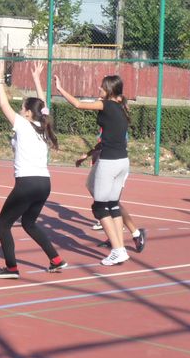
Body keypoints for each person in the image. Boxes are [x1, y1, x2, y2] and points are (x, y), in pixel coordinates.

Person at [0, 61, 67, 279]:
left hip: (27, 183)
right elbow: (43, 106)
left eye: (23, 108)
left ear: (28, 114)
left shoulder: (23, 125)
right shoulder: (44, 126)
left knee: (3, 224)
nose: (20, 110)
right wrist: (36, 80)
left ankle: (11, 268)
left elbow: (3, 104)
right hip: (44, 183)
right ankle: (56, 259)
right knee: (29, 223)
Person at [55, 72, 132, 266]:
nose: (99, 89)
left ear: (109, 90)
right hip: (123, 161)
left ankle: (117, 250)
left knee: (99, 207)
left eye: (102, 87)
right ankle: (120, 249)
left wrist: (60, 89)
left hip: (109, 162)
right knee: (113, 205)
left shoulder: (106, 105)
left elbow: (78, 104)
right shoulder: (122, 107)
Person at [77, 139, 147, 252]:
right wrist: (89, 154)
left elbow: (110, 141)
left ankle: (135, 234)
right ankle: (115, 234)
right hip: (106, 162)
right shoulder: (105, 132)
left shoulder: (117, 130)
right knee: (100, 196)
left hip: (116, 162)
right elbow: (103, 143)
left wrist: (89, 154)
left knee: (112, 203)